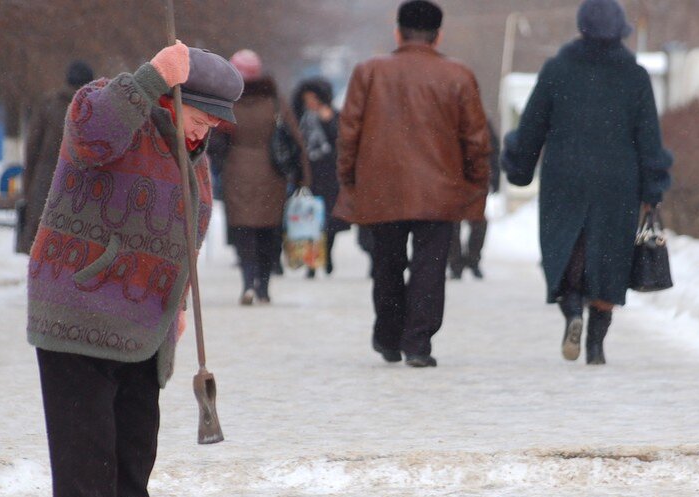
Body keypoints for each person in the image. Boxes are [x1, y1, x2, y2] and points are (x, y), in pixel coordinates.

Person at [26, 42, 244, 497]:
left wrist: (175, 312)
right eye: (199, 119)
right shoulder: (108, 106)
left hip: (142, 325)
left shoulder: (191, 155)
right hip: (80, 304)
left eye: (214, 126)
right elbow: (92, 136)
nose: (203, 134)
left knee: (133, 446)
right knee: (87, 445)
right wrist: (149, 78)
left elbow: (186, 236)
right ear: (171, 99)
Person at [502, 0, 672, 365]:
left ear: (581, 29)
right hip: (617, 182)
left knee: (567, 252)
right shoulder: (635, 76)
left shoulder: (557, 70)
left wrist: (519, 165)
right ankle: (595, 344)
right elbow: (648, 139)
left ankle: (573, 312)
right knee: (609, 261)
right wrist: (652, 189)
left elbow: (532, 127)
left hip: (565, 177)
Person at [336, 0, 491, 368]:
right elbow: (476, 139)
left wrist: (349, 177)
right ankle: (418, 342)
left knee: (387, 262)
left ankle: (387, 336)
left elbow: (349, 132)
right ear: (438, 35)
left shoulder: (368, 71)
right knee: (430, 265)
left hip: (381, 187)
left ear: (397, 31)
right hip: (440, 189)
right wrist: (476, 181)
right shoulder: (458, 75)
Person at [210, 49, 310, 306]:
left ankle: (247, 283)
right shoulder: (274, 101)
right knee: (268, 231)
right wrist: (303, 176)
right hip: (272, 174)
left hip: (237, 172)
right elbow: (296, 139)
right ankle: (264, 287)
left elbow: (215, 142)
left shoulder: (227, 103)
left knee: (244, 231)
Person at [17, 61, 94, 254]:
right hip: (79, 188)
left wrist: (27, 189)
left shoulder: (49, 104)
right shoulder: (93, 109)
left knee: (41, 247)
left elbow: (32, 148)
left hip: (45, 184)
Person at [292, 77, 349, 278]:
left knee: (330, 221)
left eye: (314, 98)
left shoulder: (333, 116)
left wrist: (329, 122)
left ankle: (328, 255)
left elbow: (342, 142)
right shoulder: (300, 117)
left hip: (330, 175)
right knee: (309, 220)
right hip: (308, 175)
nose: (310, 103)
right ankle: (311, 261)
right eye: (307, 99)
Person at [448, 118, 500, 280]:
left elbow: (492, 149)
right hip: (453, 179)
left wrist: (494, 177)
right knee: (453, 225)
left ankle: (472, 260)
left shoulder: (480, 120)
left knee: (478, 222)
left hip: (474, 179)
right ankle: (456, 264)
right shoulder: (449, 119)